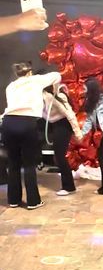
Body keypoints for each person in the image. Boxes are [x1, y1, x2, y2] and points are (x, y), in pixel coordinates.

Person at [2, 61, 61, 209]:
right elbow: (57, 75)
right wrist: (54, 88)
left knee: (13, 163)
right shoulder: (36, 80)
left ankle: (13, 200)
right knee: (29, 164)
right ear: (29, 72)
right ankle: (33, 201)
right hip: (26, 122)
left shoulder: (11, 86)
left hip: (8, 123)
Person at [43, 84, 82, 196]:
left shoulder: (55, 96)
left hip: (63, 126)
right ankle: (68, 186)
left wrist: (77, 132)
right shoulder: (45, 97)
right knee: (59, 156)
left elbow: (69, 114)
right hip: (56, 126)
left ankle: (69, 187)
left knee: (59, 156)